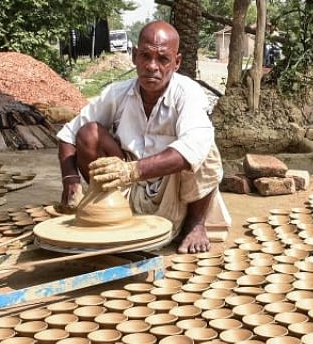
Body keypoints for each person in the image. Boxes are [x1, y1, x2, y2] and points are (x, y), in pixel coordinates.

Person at [56, 20, 229, 254]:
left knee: (205, 148)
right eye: (145, 56)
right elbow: (67, 135)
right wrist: (71, 181)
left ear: (176, 62)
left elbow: (194, 147)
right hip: (125, 189)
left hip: (172, 194)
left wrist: (133, 170)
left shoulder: (188, 93)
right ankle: (108, 211)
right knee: (89, 133)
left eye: (162, 59)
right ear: (134, 56)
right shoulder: (117, 94)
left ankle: (195, 225)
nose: (152, 66)